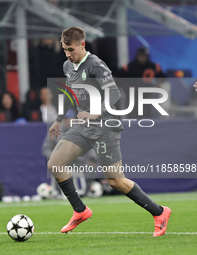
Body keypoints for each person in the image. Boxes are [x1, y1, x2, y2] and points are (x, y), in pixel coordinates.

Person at [47, 27, 171, 236]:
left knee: (115, 181)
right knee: (55, 164)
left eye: (71, 49)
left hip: (105, 127)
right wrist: (58, 120)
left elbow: (114, 93)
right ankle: (80, 210)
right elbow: (70, 93)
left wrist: (96, 113)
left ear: (82, 45)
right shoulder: (68, 65)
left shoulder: (95, 64)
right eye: (64, 49)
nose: (68, 54)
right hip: (83, 127)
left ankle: (159, 212)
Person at [118, 47, 166, 118]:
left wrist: (159, 82)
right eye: (140, 56)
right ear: (137, 56)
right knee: (132, 121)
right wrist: (127, 86)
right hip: (132, 99)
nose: (142, 58)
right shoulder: (130, 67)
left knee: (147, 120)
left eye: (144, 56)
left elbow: (163, 76)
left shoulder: (152, 66)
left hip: (146, 98)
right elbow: (120, 79)